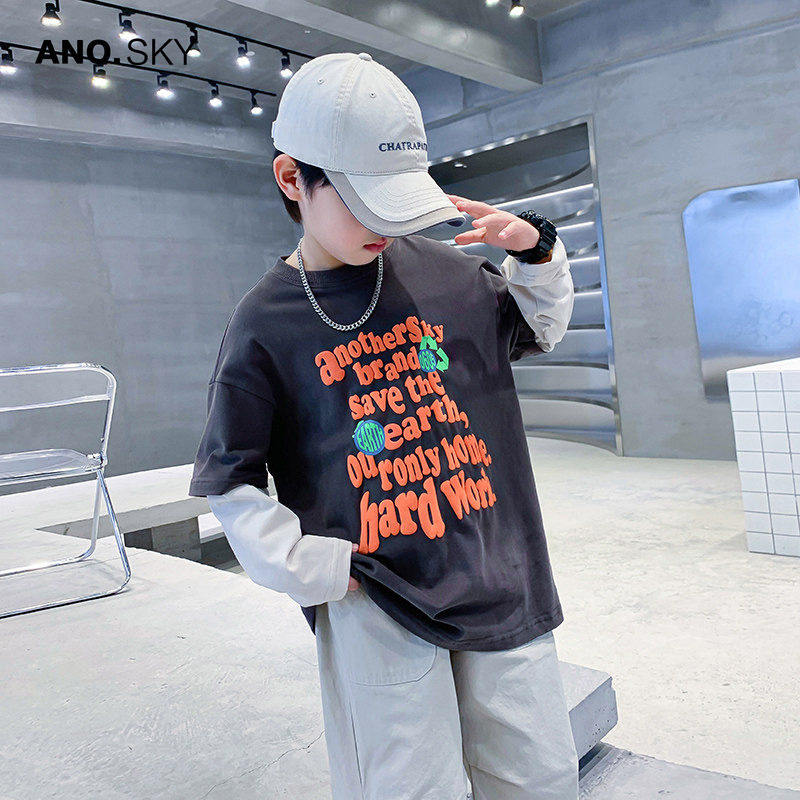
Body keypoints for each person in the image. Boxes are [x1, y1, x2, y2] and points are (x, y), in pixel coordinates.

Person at [188, 51, 578, 800]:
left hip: (500, 571)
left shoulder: (451, 272)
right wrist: (312, 567)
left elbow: (537, 328)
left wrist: (537, 252)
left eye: (396, 199)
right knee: (409, 786)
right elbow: (229, 475)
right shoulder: (265, 321)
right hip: (378, 594)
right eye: (363, 200)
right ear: (292, 179)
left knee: (539, 776)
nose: (384, 223)